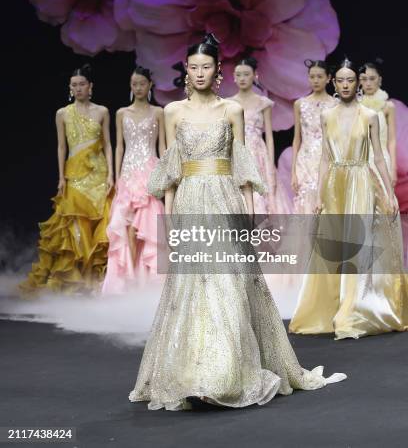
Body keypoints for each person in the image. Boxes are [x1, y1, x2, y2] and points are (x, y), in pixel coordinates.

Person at [128, 33, 346, 411]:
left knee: (229, 283)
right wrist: (169, 215)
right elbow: (171, 170)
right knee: (191, 286)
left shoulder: (231, 111)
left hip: (225, 200)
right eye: (193, 67)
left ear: (217, 72)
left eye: (206, 67)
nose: (199, 73)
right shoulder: (173, 112)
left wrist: (247, 215)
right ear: (186, 71)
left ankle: (225, 372)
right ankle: (192, 373)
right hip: (191, 201)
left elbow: (242, 167)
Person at [289, 59, 408, 339]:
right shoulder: (326, 115)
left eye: (350, 80)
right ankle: (329, 307)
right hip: (334, 184)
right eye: (340, 80)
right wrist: (319, 194)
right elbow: (324, 159)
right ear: (334, 83)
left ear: (357, 84)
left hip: (361, 181)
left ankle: (355, 310)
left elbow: (378, 156)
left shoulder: (369, 115)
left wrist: (388, 193)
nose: (345, 85)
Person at [19, 64, 113, 295]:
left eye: (82, 84)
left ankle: (94, 281)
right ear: (70, 88)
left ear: (91, 87)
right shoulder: (63, 113)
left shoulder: (102, 111)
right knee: (74, 227)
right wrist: (61, 177)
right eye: (74, 85)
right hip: (74, 174)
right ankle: (76, 280)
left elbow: (109, 145)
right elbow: (61, 146)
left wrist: (111, 174)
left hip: (99, 175)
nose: (78, 88)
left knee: (99, 226)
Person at [102, 66, 165, 294]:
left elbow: (163, 146)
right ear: (131, 87)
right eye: (134, 84)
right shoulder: (121, 113)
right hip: (129, 172)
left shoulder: (159, 112)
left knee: (147, 227)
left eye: (141, 83)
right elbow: (119, 147)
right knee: (126, 226)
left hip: (150, 170)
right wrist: (117, 175)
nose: (138, 88)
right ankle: (128, 279)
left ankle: (146, 281)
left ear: (149, 86)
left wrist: (164, 175)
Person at [229, 56, 291, 214]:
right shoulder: (227, 104)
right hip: (235, 154)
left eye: (246, 74)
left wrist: (270, 164)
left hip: (258, 156)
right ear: (234, 77)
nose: (242, 78)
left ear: (255, 75)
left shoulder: (263, 103)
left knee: (262, 199)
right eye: (238, 74)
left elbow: (269, 136)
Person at [291, 60, 337, 213]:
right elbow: (297, 138)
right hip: (304, 160)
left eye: (319, 76)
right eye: (312, 77)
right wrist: (293, 172)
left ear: (328, 78)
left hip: (328, 158)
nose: (315, 80)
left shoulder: (336, 104)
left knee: (327, 202)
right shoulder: (300, 104)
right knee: (304, 202)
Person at [359, 59, 397, 186]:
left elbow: (392, 140)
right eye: (364, 79)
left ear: (379, 80)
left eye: (372, 78)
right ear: (359, 82)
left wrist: (393, 168)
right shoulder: (356, 106)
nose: (368, 83)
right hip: (360, 160)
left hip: (382, 159)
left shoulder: (388, 106)